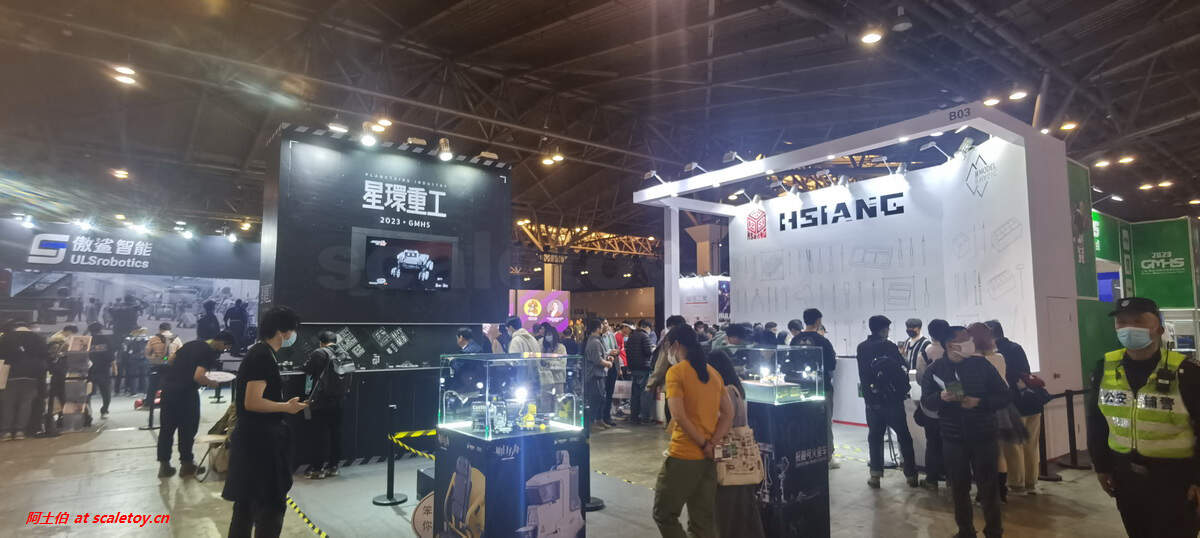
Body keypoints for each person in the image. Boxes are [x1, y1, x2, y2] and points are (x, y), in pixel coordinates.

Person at [1087, 297, 1200, 538]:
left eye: (1138, 321)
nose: (1129, 328)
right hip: (1125, 476)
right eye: (1122, 322)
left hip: (1175, 479)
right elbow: (1097, 422)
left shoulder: (1187, 372)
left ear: (1159, 328)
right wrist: (1102, 467)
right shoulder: (1105, 367)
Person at [222, 306, 307, 538]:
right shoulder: (262, 356)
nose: (293, 335)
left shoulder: (261, 353)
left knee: (246, 505)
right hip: (260, 442)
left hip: (254, 438)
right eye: (293, 330)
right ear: (282, 331)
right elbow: (252, 402)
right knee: (271, 503)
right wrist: (286, 407)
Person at [921, 325, 1010, 538]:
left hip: (984, 435)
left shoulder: (982, 365)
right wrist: (940, 398)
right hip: (953, 438)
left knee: (988, 488)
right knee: (959, 488)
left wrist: (980, 402)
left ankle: (994, 531)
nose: (971, 343)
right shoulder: (935, 370)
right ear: (950, 345)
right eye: (965, 339)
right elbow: (926, 402)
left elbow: (1004, 396)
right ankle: (965, 530)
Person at [652, 325, 733, 538]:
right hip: (709, 458)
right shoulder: (713, 373)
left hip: (684, 455)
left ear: (676, 345)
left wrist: (703, 444)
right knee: (702, 520)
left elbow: (678, 415)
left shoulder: (676, 372)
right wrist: (712, 443)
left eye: (668, 347)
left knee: (664, 514)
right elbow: (728, 414)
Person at [708, 349, 766, 538]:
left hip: (728, 454)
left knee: (727, 510)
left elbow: (722, 423)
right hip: (742, 458)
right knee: (745, 509)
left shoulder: (724, 392)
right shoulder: (737, 389)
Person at [158, 331, 232, 478]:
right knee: (187, 429)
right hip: (186, 393)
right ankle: (186, 464)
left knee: (166, 429)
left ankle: (164, 465)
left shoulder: (192, 344)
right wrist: (211, 383)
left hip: (168, 390)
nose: (224, 350)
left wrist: (181, 370)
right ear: (221, 342)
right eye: (226, 347)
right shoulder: (208, 352)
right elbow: (198, 376)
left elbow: (171, 359)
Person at [856, 315, 918, 487]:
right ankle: (911, 475)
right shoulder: (889, 346)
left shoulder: (861, 347)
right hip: (892, 400)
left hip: (872, 401)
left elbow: (863, 374)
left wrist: (869, 397)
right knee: (904, 437)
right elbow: (902, 367)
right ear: (883, 329)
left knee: (875, 438)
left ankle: (875, 475)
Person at [986, 319, 1042, 495]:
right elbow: (1026, 372)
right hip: (1032, 402)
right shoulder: (1016, 347)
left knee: (1013, 446)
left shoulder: (995, 354)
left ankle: (1017, 484)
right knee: (1031, 446)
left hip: (1013, 405)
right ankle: (1031, 482)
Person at [790, 309, 841, 469]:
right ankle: (828, 456)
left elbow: (789, 363)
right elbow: (832, 364)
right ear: (818, 321)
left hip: (799, 388)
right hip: (821, 387)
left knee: (803, 421)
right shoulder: (823, 341)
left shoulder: (795, 340)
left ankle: (806, 454)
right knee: (825, 422)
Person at [302, 330, 348, 480]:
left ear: (321, 342)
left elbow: (307, 369)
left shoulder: (319, 353)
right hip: (339, 400)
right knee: (336, 433)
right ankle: (333, 467)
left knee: (319, 435)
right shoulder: (344, 354)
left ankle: (317, 469)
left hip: (321, 401)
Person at [916, 319, 950, 490]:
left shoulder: (925, 352)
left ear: (930, 333)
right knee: (952, 444)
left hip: (931, 408)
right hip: (952, 406)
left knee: (933, 443)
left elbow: (920, 379)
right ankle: (952, 479)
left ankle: (932, 480)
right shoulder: (953, 351)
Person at [0, 321, 48, 440]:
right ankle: (20, 431)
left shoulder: (6, 338)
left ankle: (6, 432)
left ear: (15, 327)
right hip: (32, 376)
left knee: (8, 404)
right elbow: (44, 358)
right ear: (28, 327)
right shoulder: (39, 339)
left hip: (9, 375)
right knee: (25, 404)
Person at [45, 325, 78, 432]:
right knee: (60, 396)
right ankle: (61, 419)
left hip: (57, 372)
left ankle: (60, 418)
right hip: (58, 373)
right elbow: (55, 355)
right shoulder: (58, 339)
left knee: (58, 396)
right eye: (72, 333)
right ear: (68, 331)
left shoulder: (57, 338)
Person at [583, 318, 612, 433]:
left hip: (598, 374)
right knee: (596, 399)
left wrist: (607, 358)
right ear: (597, 329)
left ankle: (598, 419)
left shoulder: (595, 340)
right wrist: (608, 363)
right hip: (594, 375)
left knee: (600, 398)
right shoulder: (594, 342)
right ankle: (592, 422)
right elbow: (597, 360)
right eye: (601, 327)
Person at [625, 319, 654, 424]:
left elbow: (628, 352)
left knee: (635, 394)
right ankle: (645, 417)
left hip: (634, 368)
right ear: (646, 327)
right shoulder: (645, 336)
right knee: (644, 394)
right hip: (643, 368)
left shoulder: (631, 336)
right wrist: (652, 349)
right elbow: (648, 352)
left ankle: (634, 417)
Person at [86, 322, 116, 419]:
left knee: (87, 393)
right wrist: (115, 368)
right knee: (106, 392)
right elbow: (111, 355)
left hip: (89, 370)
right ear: (100, 329)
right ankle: (104, 410)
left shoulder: (87, 340)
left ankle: (87, 412)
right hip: (103, 369)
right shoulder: (106, 339)